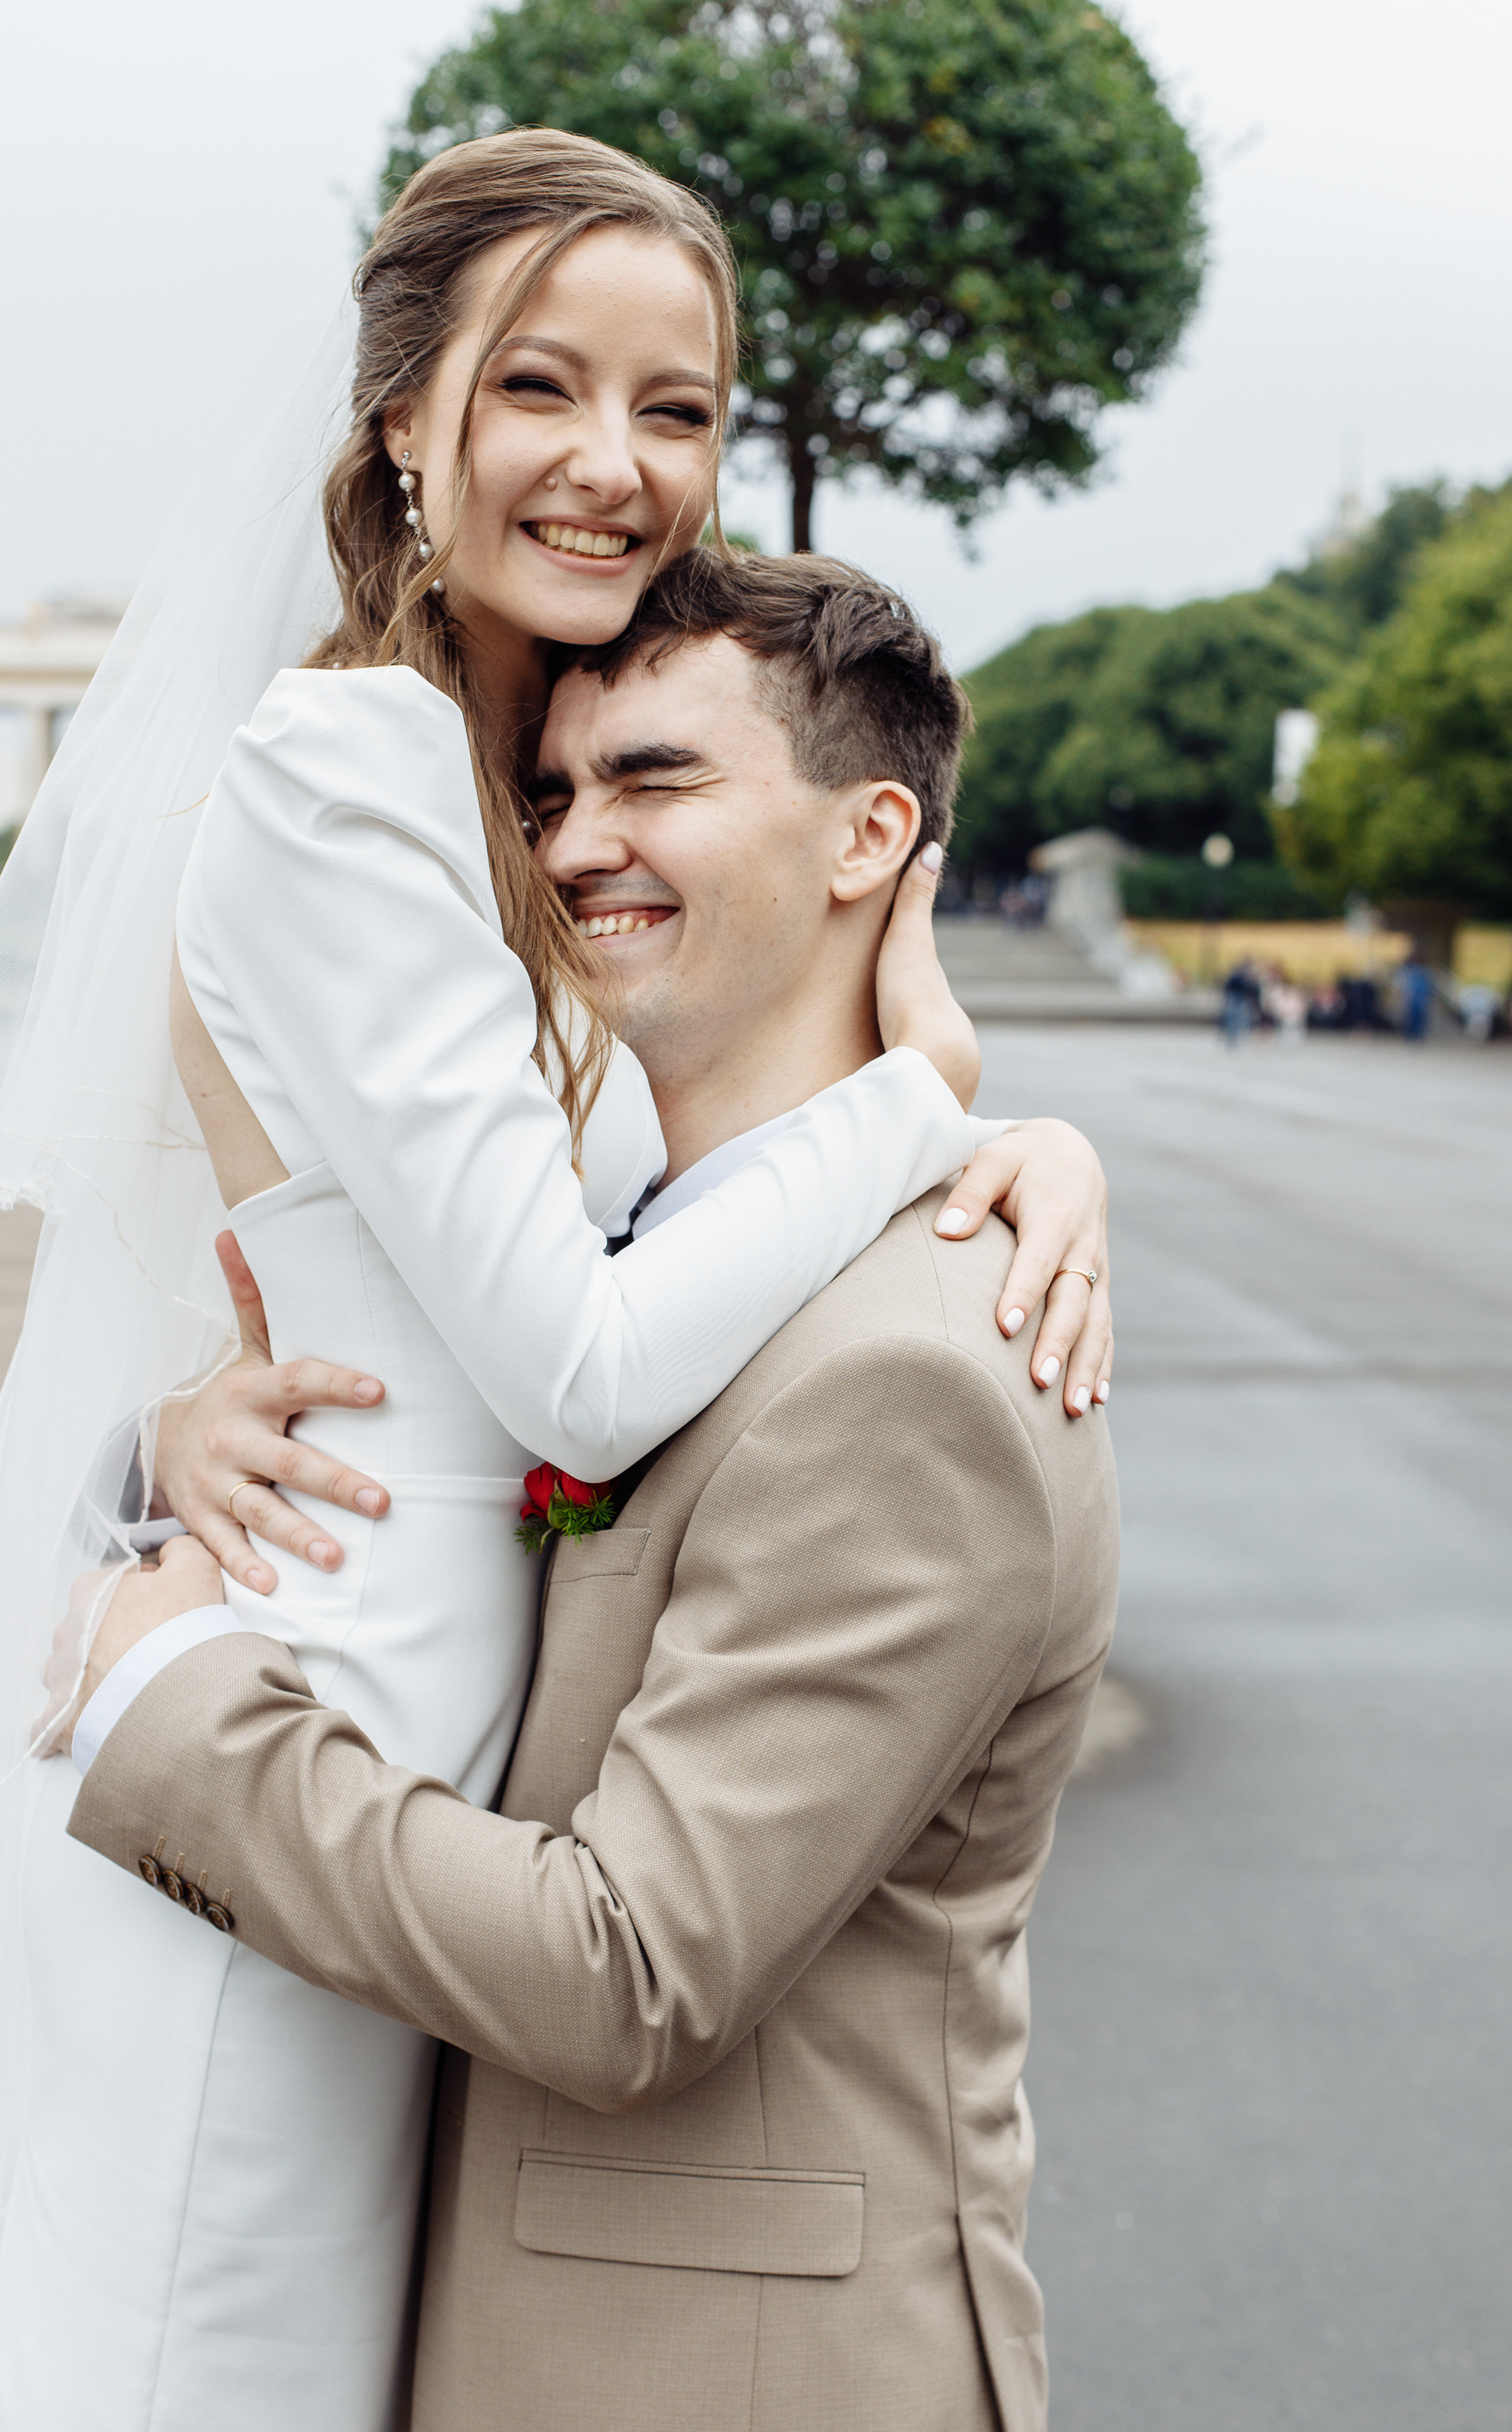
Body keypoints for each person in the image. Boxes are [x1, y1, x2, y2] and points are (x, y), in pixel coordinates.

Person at [0, 132, 1110, 2429]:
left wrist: (1021, 1135)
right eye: (539, 386)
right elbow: (579, 1348)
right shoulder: (349, 763)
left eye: (677, 405)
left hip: (416, 1778)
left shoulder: (519, 796)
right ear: (401, 428)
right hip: (306, 1740)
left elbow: (621, 1204)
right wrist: (934, 1084)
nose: (614, 461)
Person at [66, 550, 1120, 2432]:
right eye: (549, 794)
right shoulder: (614, 1277)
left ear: (873, 834)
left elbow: (632, 1971)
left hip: (738, 2378)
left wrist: (181, 1710)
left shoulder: (913, 1373)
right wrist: (179, 1442)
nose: (568, 850)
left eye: (655, 780)